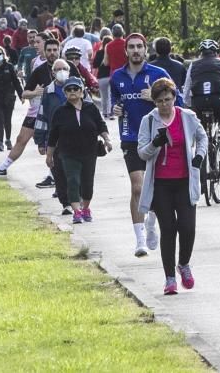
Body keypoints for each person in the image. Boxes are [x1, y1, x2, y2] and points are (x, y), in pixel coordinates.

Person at [137, 78, 208, 295]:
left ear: (175, 98)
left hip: (185, 181)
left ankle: (183, 264)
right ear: (155, 102)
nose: (164, 105)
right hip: (161, 183)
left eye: (168, 100)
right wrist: (155, 143)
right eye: (159, 101)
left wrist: (199, 156)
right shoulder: (148, 121)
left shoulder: (187, 117)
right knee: (168, 229)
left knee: (187, 227)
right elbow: (142, 152)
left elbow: (202, 137)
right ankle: (169, 278)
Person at [110, 32, 174, 257]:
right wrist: (115, 109)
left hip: (157, 137)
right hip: (130, 137)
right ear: (126, 51)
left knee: (155, 187)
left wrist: (154, 99)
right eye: (132, 47)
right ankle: (139, 240)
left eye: (139, 47)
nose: (136, 51)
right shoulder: (117, 76)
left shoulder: (158, 75)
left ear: (146, 50)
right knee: (137, 187)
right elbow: (115, 102)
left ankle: (151, 224)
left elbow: (179, 101)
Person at [0, 37, 59, 178]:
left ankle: (52, 175)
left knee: (53, 144)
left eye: (38, 42)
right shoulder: (37, 65)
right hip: (35, 111)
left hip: (55, 113)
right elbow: (26, 92)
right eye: (49, 50)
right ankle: (3, 167)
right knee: (21, 139)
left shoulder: (64, 66)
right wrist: (35, 93)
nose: (35, 45)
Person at [46, 76, 112, 224]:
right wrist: (49, 155)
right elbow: (53, 135)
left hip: (89, 152)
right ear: (65, 93)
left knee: (87, 183)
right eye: (68, 90)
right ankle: (76, 211)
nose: (72, 92)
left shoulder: (91, 108)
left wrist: (107, 140)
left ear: (82, 91)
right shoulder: (60, 112)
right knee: (73, 181)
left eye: (76, 89)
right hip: (68, 153)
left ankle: (86, 208)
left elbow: (101, 125)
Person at [182, 39, 220, 172]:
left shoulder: (193, 65)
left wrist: (187, 104)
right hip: (217, 98)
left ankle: (202, 166)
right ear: (216, 52)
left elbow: (186, 88)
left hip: (198, 101)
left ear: (201, 53)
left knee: (200, 132)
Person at [33, 59, 75, 214]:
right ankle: (66, 204)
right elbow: (42, 116)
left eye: (64, 68)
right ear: (53, 73)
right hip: (55, 140)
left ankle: (77, 201)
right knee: (59, 173)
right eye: (58, 69)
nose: (61, 71)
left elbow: (90, 112)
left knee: (75, 173)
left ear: (69, 71)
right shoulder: (48, 92)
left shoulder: (78, 88)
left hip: (77, 140)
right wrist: (40, 141)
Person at [0, 45, 24, 152]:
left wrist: (21, 95)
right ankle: (0, 142)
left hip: (9, 98)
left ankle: (8, 139)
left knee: (7, 120)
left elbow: (16, 82)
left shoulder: (9, 67)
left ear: (3, 55)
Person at [93, 35, 113, 118]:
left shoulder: (99, 52)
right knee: (111, 95)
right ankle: (111, 112)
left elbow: (95, 64)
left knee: (104, 96)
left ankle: (105, 112)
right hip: (111, 75)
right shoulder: (112, 52)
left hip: (102, 77)